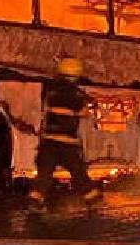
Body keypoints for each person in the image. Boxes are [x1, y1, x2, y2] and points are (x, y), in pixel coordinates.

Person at [30, 56, 100, 208]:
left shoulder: (51, 91)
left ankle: (35, 200)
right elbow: (83, 112)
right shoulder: (75, 94)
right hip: (67, 144)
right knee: (80, 174)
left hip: (48, 142)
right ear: (76, 74)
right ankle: (93, 201)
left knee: (44, 175)